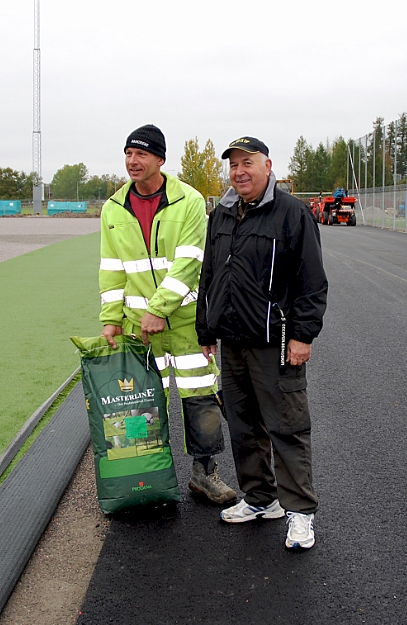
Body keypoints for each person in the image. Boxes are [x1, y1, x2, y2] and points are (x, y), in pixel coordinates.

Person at [196, 136, 328, 550]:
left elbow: (311, 281)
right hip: (232, 340)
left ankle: (300, 514)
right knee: (243, 426)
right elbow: (210, 275)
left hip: (276, 341)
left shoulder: (292, 214)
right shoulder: (221, 213)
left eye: (247, 162)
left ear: (267, 165)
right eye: (234, 164)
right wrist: (206, 328)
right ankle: (260, 499)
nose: (240, 171)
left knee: (286, 428)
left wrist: (303, 335)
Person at [99, 124, 236, 505]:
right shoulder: (113, 209)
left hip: (187, 322)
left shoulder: (188, 201)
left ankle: (204, 474)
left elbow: (190, 262)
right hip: (138, 329)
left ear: (160, 159)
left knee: (201, 398)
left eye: (141, 154)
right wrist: (110, 317)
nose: (132, 161)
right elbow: (111, 269)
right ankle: (147, 479)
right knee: (140, 404)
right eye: (128, 153)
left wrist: (159, 309)